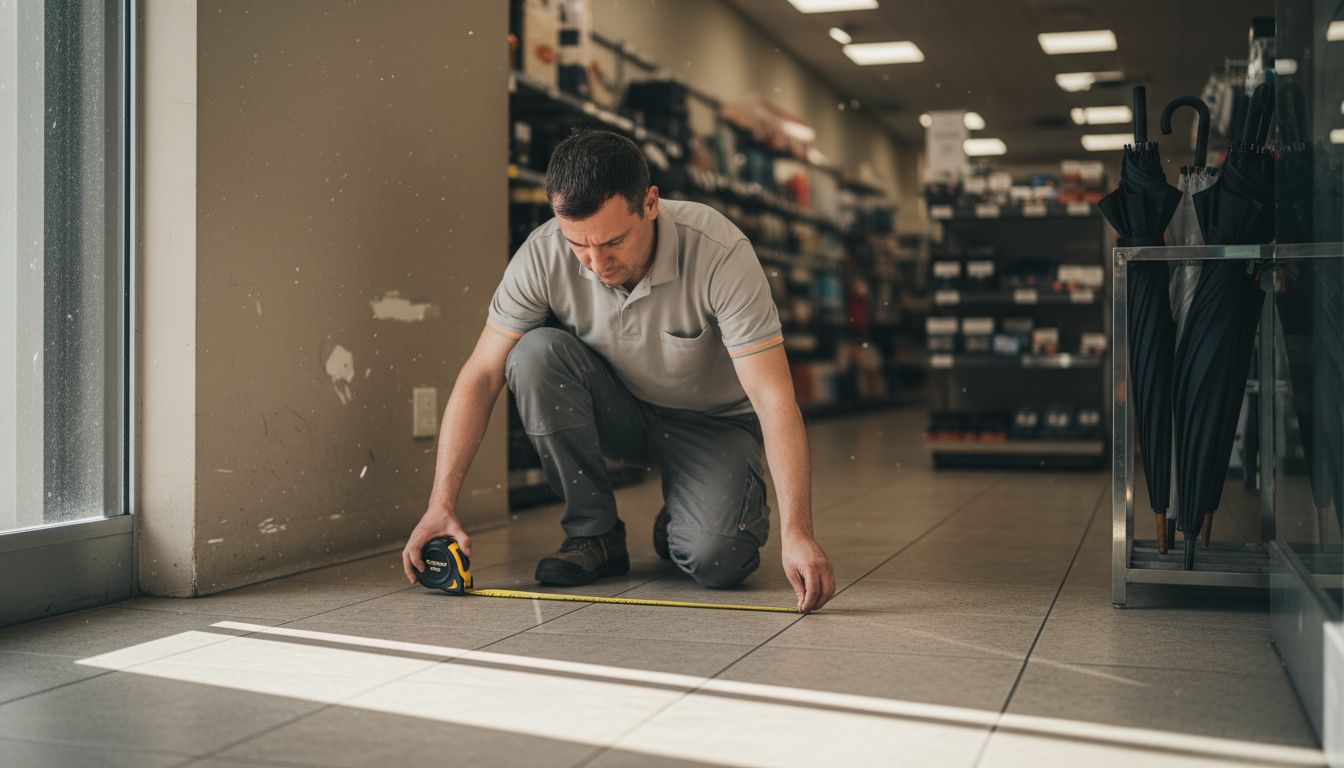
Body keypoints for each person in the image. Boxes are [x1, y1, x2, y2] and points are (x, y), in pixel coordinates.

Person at [402, 129, 835, 613]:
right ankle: (595, 535)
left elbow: (774, 396)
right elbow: (481, 375)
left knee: (719, 562)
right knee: (532, 353)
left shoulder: (719, 252)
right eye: (578, 245)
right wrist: (440, 504)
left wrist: (799, 533)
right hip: (620, 412)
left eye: (612, 241)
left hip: (711, 424)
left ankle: (684, 522)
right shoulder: (542, 254)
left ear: (650, 203)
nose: (595, 263)